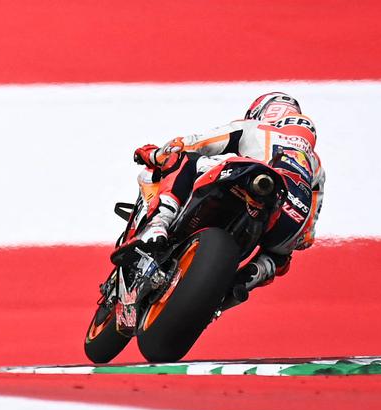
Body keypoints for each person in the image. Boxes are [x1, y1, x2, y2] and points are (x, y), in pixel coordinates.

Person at [129, 92, 325, 302]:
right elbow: (307, 236)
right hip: (289, 219)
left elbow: (192, 143)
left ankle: (159, 223)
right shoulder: (316, 166)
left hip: (246, 181)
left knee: (182, 159)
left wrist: (154, 154)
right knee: (280, 258)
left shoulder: (253, 127)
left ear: (261, 112)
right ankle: (238, 286)